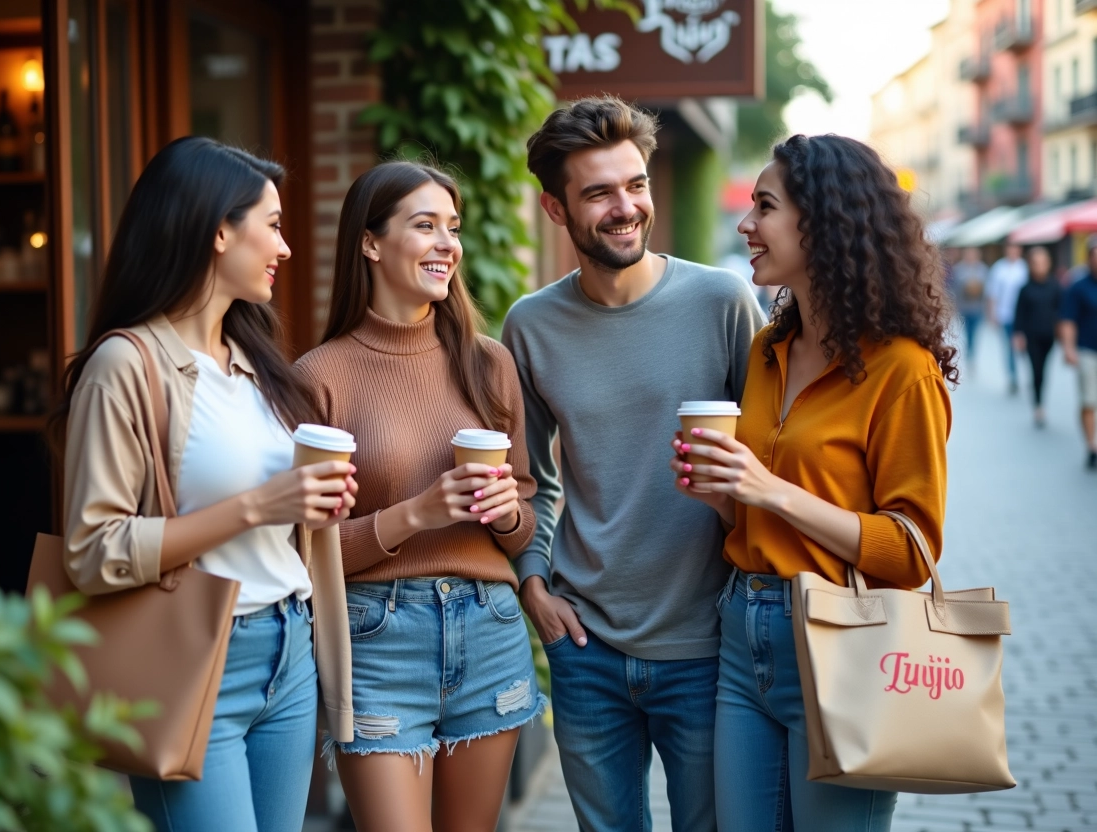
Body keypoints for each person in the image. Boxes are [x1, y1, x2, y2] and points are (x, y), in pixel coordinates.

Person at [55, 137, 358, 832]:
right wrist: (261, 504)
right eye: (273, 225)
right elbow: (93, 549)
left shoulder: (255, 362)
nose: (285, 247)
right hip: (194, 664)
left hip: (287, 651)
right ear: (219, 229)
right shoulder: (126, 366)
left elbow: (282, 515)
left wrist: (313, 506)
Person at [670, 134, 955, 831]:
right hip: (743, 632)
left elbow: (913, 550)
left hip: (841, 641)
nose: (745, 224)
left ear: (821, 223)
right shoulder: (767, 349)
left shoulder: (901, 369)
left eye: (764, 207)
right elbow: (755, 518)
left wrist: (769, 489)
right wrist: (722, 496)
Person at [502, 96, 765, 832]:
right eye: (599, 193)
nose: (625, 208)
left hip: (712, 647)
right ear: (556, 211)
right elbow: (533, 478)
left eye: (636, 184)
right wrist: (534, 586)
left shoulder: (724, 301)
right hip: (586, 648)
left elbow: (774, 463)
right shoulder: (530, 324)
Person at [295, 161, 544, 832]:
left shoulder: (488, 363)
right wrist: (416, 515)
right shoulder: (319, 379)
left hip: (490, 628)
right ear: (370, 243)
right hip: (377, 639)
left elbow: (524, 524)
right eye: (425, 225)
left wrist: (509, 513)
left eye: (453, 228)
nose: (447, 245)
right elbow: (303, 557)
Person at [1012, 246, 1062, 428]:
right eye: (1036, 263)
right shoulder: (1025, 289)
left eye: (1043, 263)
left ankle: (1040, 396)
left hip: (1049, 336)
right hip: (1031, 335)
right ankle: (1038, 406)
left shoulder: (1055, 286)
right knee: (1036, 369)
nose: (1039, 266)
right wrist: (1018, 335)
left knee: (1044, 370)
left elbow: (1062, 312)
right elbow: (1019, 313)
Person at [1060, 237, 1097, 470]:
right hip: (1087, 350)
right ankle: (1091, 445)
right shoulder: (1078, 286)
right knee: (1088, 400)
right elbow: (1068, 320)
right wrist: (1068, 348)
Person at [987, 242, 1029, 394]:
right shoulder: (999, 268)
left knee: (1024, 346)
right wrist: (992, 314)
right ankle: (1013, 377)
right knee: (1010, 347)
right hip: (1006, 314)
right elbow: (992, 293)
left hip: (1024, 315)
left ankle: (1028, 373)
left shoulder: (1024, 267)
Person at [950, 246, 988, 362]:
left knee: (974, 332)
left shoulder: (982, 269)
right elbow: (954, 289)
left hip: (977, 307)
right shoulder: (959, 269)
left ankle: (971, 351)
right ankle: (968, 350)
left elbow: (987, 290)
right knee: (966, 331)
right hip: (964, 307)